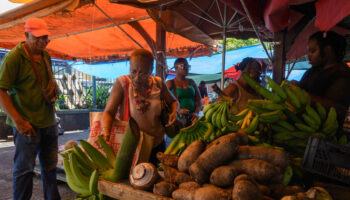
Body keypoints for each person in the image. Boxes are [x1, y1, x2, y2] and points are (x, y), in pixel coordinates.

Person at [0, 18, 61, 200]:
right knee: (24, 170)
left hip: (49, 122)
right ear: (26, 35)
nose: (43, 42)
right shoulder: (14, 57)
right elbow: (1, 90)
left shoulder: (46, 56)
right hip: (28, 125)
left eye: (46, 38)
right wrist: (19, 122)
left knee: (50, 168)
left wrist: (53, 88)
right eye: (38, 38)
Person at [102, 49, 179, 165]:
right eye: (133, 71)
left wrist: (174, 113)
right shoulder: (123, 83)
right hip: (132, 146)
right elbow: (108, 112)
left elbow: (174, 102)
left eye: (142, 73)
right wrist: (106, 134)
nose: (137, 77)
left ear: (151, 69)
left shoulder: (158, 83)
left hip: (156, 144)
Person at [297, 31, 350, 132]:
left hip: (323, 134)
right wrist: (296, 86)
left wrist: (303, 95)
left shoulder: (342, 74)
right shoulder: (313, 70)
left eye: (313, 51)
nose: (309, 55)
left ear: (328, 51)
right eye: (308, 51)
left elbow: (337, 108)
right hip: (301, 128)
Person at [166, 58, 201, 127]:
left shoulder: (192, 82)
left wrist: (196, 113)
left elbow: (199, 100)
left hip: (192, 119)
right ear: (176, 67)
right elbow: (164, 103)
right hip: (177, 119)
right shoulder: (170, 83)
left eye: (188, 66)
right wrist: (177, 111)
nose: (187, 68)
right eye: (184, 66)